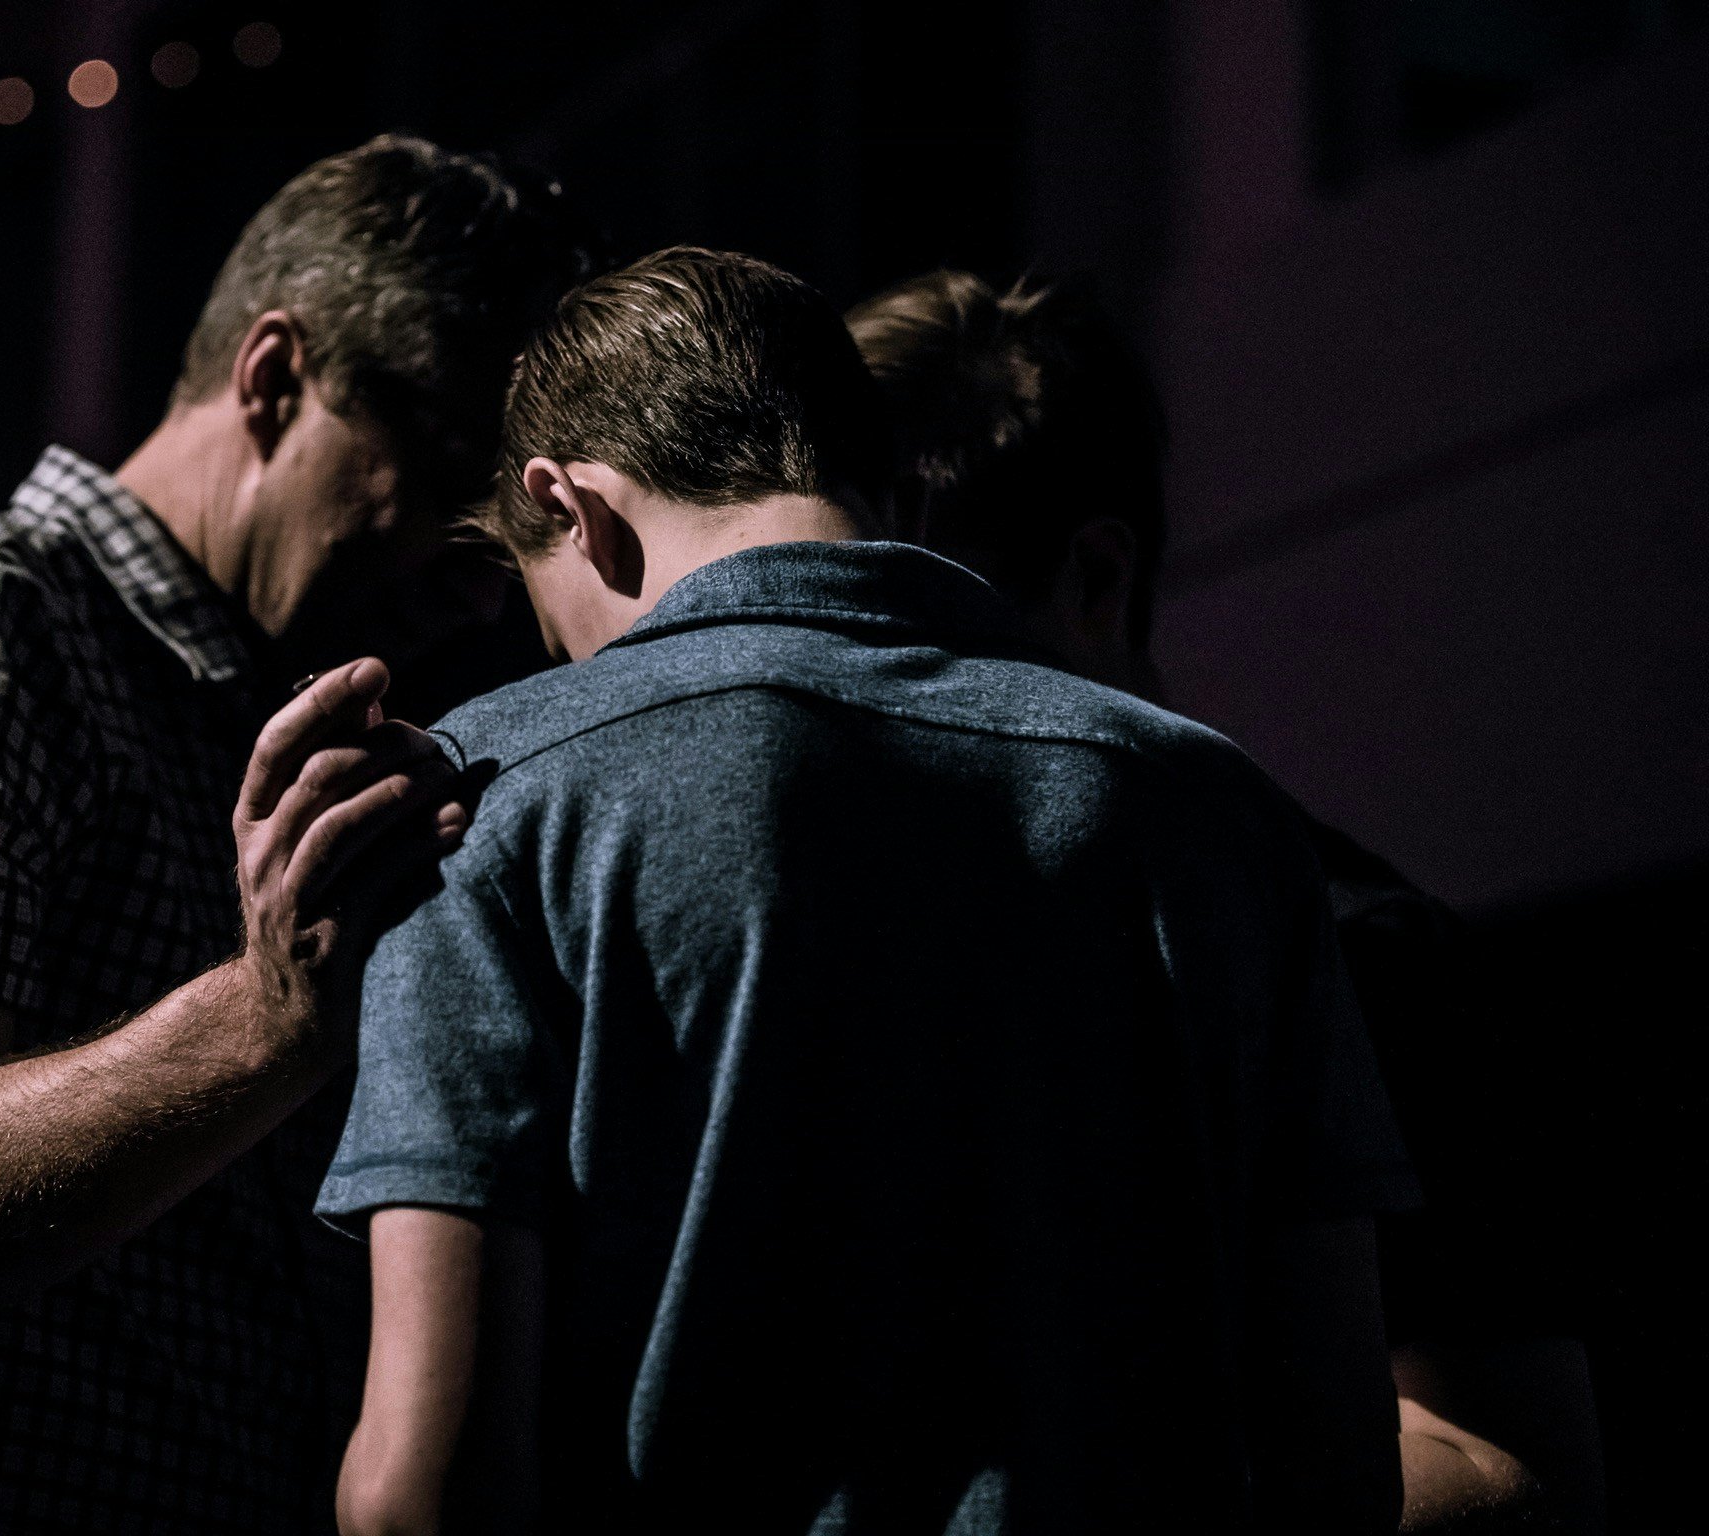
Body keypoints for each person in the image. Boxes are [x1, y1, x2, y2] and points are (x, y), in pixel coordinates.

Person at [318, 246, 1414, 1535]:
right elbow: (1339, 1465)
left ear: (575, 508)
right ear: (882, 480)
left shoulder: (487, 798)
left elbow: (421, 1489)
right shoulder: (1219, 811)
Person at [0, 134, 599, 1536]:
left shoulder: (241, 710)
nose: (479, 597)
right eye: (445, 487)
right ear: (276, 376)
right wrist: (266, 1018)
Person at [846, 267, 1606, 1534]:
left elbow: (1526, 1479)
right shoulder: (884, 936)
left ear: (1096, 578)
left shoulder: (1365, 953)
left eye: (919, 624)